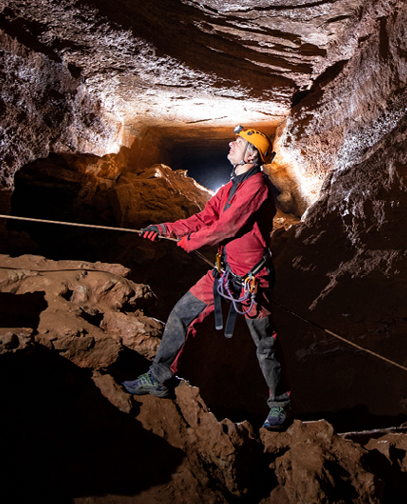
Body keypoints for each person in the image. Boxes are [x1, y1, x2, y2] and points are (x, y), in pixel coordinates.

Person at [123, 125, 292, 431]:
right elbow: (203, 219)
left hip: (251, 280)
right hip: (223, 274)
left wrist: (193, 242)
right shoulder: (228, 189)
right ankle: (159, 378)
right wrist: (166, 229)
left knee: (265, 343)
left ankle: (280, 404)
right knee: (180, 315)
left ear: (251, 154)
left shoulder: (257, 187)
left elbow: (228, 226)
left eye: (237, 142)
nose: (231, 144)